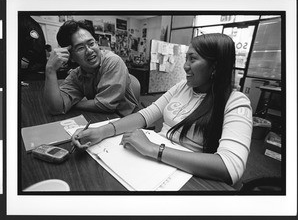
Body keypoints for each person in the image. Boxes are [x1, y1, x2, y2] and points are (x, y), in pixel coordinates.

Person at [71, 33, 253, 185]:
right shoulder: (183, 86)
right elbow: (145, 115)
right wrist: (101, 131)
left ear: (215, 66)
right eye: (186, 58)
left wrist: (153, 148)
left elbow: (230, 167)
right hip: (158, 165)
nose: (185, 65)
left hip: (188, 176)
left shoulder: (236, 102)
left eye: (193, 59)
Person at [44, 20, 139, 116]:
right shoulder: (77, 74)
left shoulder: (113, 61)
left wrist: (74, 104)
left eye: (91, 43)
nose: (89, 51)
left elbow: (105, 104)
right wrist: (50, 70)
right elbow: (57, 109)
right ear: (71, 57)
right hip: (102, 119)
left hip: (127, 118)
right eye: (80, 48)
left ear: (97, 43)